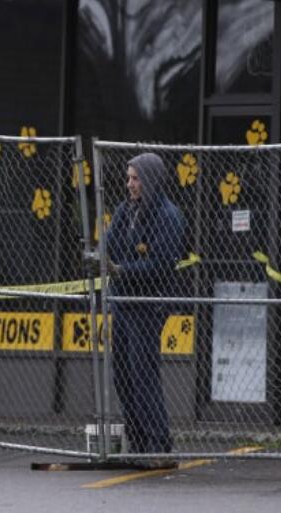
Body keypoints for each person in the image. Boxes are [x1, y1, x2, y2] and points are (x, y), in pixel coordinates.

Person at [102, 152, 187, 459]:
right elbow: (110, 246)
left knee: (143, 373)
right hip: (123, 304)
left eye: (135, 178)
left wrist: (123, 270)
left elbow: (163, 264)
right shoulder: (126, 211)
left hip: (148, 306)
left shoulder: (168, 216)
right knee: (122, 375)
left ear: (150, 179)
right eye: (128, 178)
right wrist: (99, 255)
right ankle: (136, 441)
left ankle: (158, 443)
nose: (130, 184)